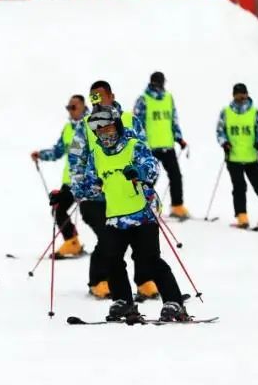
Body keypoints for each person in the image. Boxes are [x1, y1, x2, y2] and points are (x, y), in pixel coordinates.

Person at [72, 106, 190, 323]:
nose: (102, 133)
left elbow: (152, 167)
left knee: (150, 260)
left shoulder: (134, 145)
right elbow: (88, 185)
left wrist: (139, 172)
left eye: (106, 127)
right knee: (112, 260)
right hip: (115, 217)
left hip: (142, 214)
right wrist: (67, 194)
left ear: (116, 125)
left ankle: (174, 302)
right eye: (97, 130)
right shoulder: (96, 154)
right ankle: (123, 302)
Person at [69, 81, 155, 299]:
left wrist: (144, 181)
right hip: (97, 197)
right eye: (93, 98)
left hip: (128, 193)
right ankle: (99, 280)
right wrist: (80, 188)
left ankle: (144, 281)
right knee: (107, 239)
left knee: (140, 240)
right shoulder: (84, 126)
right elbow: (76, 159)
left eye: (100, 96)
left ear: (111, 95)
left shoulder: (129, 120)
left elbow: (144, 153)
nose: (96, 101)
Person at [31, 95, 91, 259]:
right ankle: (72, 243)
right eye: (68, 108)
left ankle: (78, 243)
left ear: (83, 107)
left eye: (74, 107)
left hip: (85, 180)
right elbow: (58, 151)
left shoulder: (91, 126)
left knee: (93, 215)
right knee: (58, 209)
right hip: (69, 180)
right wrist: (41, 155)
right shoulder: (68, 128)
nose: (71, 111)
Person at [216, 83, 258, 229]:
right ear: (233, 96)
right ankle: (242, 216)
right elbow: (220, 131)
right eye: (238, 95)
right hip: (233, 157)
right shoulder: (226, 112)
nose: (241, 98)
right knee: (239, 187)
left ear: (247, 94)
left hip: (251, 156)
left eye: (243, 95)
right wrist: (224, 143)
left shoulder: (254, 111)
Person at [132, 71, 189, 219]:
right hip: (150, 147)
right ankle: (141, 207)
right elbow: (137, 124)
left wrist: (179, 138)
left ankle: (177, 206)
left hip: (167, 145)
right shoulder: (143, 100)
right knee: (150, 178)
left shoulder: (168, 98)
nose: (159, 86)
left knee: (176, 176)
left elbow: (173, 120)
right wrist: (138, 143)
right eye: (157, 83)